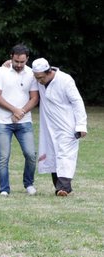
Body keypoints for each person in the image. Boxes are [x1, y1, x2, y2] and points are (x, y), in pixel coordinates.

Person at [32, 58, 87, 196]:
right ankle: (59, 187)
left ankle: (63, 188)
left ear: (49, 71)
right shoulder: (38, 79)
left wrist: (81, 125)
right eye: (36, 78)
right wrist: (7, 64)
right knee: (52, 155)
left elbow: (77, 102)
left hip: (67, 125)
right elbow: (22, 70)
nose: (39, 81)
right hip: (49, 125)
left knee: (65, 155)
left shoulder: (65, 80)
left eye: (41, 78)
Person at [0, 45, 39, 197]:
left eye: (22, 62)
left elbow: (34, 97)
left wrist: (22, 111)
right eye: (16, 61)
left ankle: (29, 183)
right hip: (2, 121)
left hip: (24, 121)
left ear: (27, 59)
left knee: (31, 154)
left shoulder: (31, 73)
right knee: (3, 156)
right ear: (11, 56)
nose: (19, 65)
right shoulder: (1, 71)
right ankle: (4, 188)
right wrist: (14, 110)